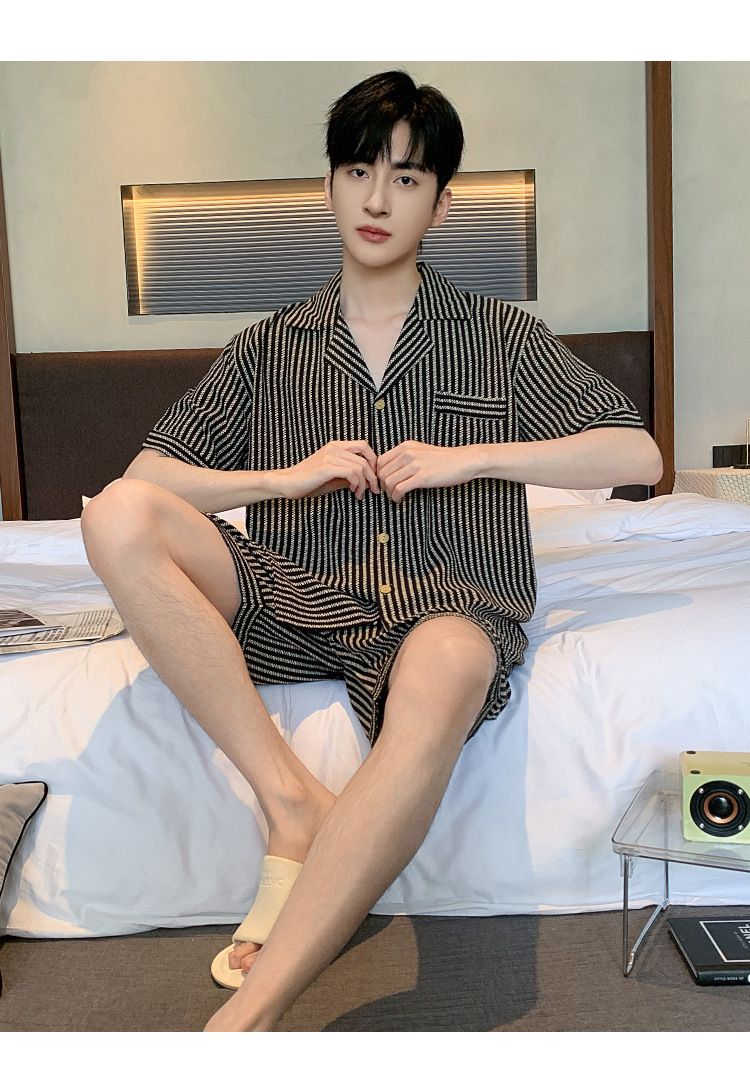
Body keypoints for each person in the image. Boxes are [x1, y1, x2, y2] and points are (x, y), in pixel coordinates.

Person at [80, 70, 662, 1032]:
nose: (378, 199)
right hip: (297, 597)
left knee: (447, 663)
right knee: (114, 517)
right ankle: (292, 801)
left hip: (449, 603)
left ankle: (250, 1016)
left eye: (406, 177)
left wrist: (470, 456)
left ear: (441, 203)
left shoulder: (499, 335)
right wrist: (283, 480)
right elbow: (145, 479)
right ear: (328, 187)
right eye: (358, 171)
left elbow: (635, 454)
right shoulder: (269, 347)